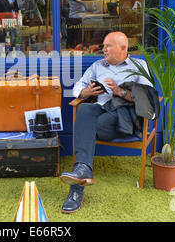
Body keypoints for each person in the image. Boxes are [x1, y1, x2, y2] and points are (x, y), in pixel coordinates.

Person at [59, 31, 154, 214]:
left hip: (124, 118)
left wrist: (121, 93)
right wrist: (86, 93)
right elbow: (77, 87)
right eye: (103, 46)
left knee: (85, 126)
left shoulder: (139, 66)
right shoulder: (97, 66)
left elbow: (148, 98)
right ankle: (82, 171)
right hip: (101, 111)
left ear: (123, 48)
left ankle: (76, 189)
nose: (103, 49)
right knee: (85, 108)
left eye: (107, 46)